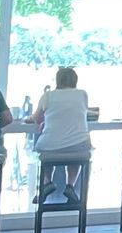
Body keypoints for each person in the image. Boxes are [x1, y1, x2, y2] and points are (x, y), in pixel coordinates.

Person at [29, 67, 94, 199]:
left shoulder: (48, 95)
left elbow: (36, 118)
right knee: (76, 151)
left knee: (47, 150)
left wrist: (43, 121)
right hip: (79, 145)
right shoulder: (82, 94)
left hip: (50, 146)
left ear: (57, 80)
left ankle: (47, 182)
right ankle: (70, 185)